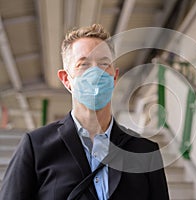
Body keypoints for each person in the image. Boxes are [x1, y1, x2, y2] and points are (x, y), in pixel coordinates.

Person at [0, 24, 169, 200]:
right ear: (66, 79)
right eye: (83, 64)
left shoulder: (144, 152)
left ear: (114, 76)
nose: (95, 72)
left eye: (104, 64)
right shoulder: (37, 148)